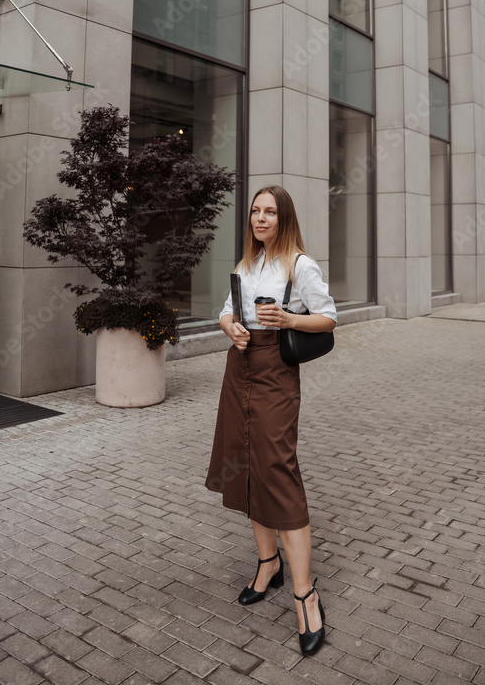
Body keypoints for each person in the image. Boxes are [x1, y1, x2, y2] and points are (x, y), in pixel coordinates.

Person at [205, 185, 337, 656]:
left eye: (270, 212)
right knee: (243, 466)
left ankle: (306, 594)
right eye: (256, 212)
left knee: (277, 470)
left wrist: (288, 319)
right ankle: (268, 565)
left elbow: (328, 318)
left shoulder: (299, 265)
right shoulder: (246, 264)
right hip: (238, 367)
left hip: (276, 373)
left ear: (284, 219)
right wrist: (230, 326)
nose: (261, 219)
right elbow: (225, 309)